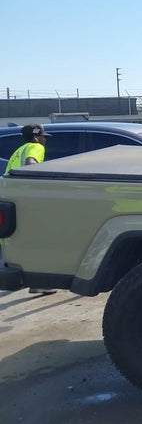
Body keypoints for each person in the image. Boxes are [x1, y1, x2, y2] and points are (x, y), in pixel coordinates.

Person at [3, 123, 56, 295]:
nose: (45, 140)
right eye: (42, 136)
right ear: (35, 137)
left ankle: (31, 282)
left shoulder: (18, 151)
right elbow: (30, 164)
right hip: (26, 201)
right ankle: (38, 283)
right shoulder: (35, 147)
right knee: (40, 240)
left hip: (12, 200)